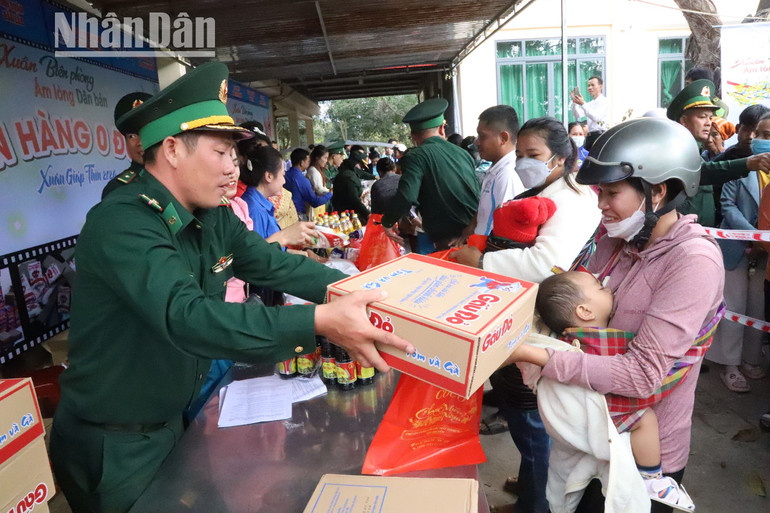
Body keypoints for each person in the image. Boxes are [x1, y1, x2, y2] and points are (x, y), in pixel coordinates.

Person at [48, 62, 413, 513]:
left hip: (180, 420)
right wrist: (320, 321)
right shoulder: (122, 221)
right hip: (117, 442)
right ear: (173, 150)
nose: (233, 169)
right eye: (221, 153)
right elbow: (186, 314)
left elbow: (274, 266)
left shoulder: (212, 215)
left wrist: (374, 291)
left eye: (235, 157)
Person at [509, 117, 724, 513]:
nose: (601, 205)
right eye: (598, 193)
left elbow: (642, 375)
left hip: (641, 456)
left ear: (657, 192)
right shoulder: (613, 238)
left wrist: (534, 355)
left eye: (611, 193)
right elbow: (567, 305)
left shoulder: (692, 262)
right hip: (589, 436)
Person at [451, 117, 600, 513]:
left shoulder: (570, 198)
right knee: (527, 418)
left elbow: (547, 263)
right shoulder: (547, 189)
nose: (523, 162)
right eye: (520, 154)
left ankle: (537, 504)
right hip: (522, 312)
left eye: (533, 155)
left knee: (532, 420)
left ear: (561, 157)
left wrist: (482, 259)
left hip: (538, 320)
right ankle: (532, 485)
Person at [537, 271, 695, 510]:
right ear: (585, 312)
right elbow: (636, 375)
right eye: (600, 287)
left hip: (582, 426)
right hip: (602, 413)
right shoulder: (605, 342)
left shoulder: (567, 339)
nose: (608, 289)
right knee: (646, 418)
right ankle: (652, 479)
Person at [707, 112, 770, 392]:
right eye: (759, 133)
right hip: (736, 246)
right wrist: (752, 236)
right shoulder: (742, 166)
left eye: (767, 135)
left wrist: (763, 244)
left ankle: (751, 359)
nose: (759, 139)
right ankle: (730, 364)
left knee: (757, 307)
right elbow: (727, 205)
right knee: (734, 305)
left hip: (766, 253)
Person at [381, 98, 480, 253]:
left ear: (413, 135)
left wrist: (387, 222)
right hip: (475, 235)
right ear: (442, 128)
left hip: (451, 241)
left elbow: (406, 196)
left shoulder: (415, 156)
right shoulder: (463, 154)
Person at [667, 80, 770, 227]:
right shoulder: (675, 149)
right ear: (684, 120)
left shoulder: (692, 149)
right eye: (702, 117)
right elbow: (700, 173)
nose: (708, 123)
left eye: (710, 117)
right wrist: (747, 163)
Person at [240, 145, 322, 255]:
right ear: (269, 176)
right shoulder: (253, 209)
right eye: (283, 174)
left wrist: (305, 255)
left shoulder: (261, 203)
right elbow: (258, 256)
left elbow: (274, 248)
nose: (284, 181)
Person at [473, 105, 525, 236]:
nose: (476, 142)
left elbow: (505, 228)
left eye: (482, 136)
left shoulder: (507, 174)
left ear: (503, 138)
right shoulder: (497, 169)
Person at [101, 92, 152, 199]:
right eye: (132, 136)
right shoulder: (117, 189)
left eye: (146, 133)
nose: (140, 142)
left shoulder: (180, 179)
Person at [284, 147, 332, 220]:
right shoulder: (301, 179)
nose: (309, 163)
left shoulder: (285, 175)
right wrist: (330, 194)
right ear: (302, 163)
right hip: (298, 215)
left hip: (286, 214)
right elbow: (315, 202)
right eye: (308, 161)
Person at [332, 147, 371, 224]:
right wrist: (367, 213)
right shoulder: (349, 177)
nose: (362, 169)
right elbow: (354, 199)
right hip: (347, 215)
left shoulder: (346, 171)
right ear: (356, 163)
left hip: (344, 213)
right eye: (361, 166)